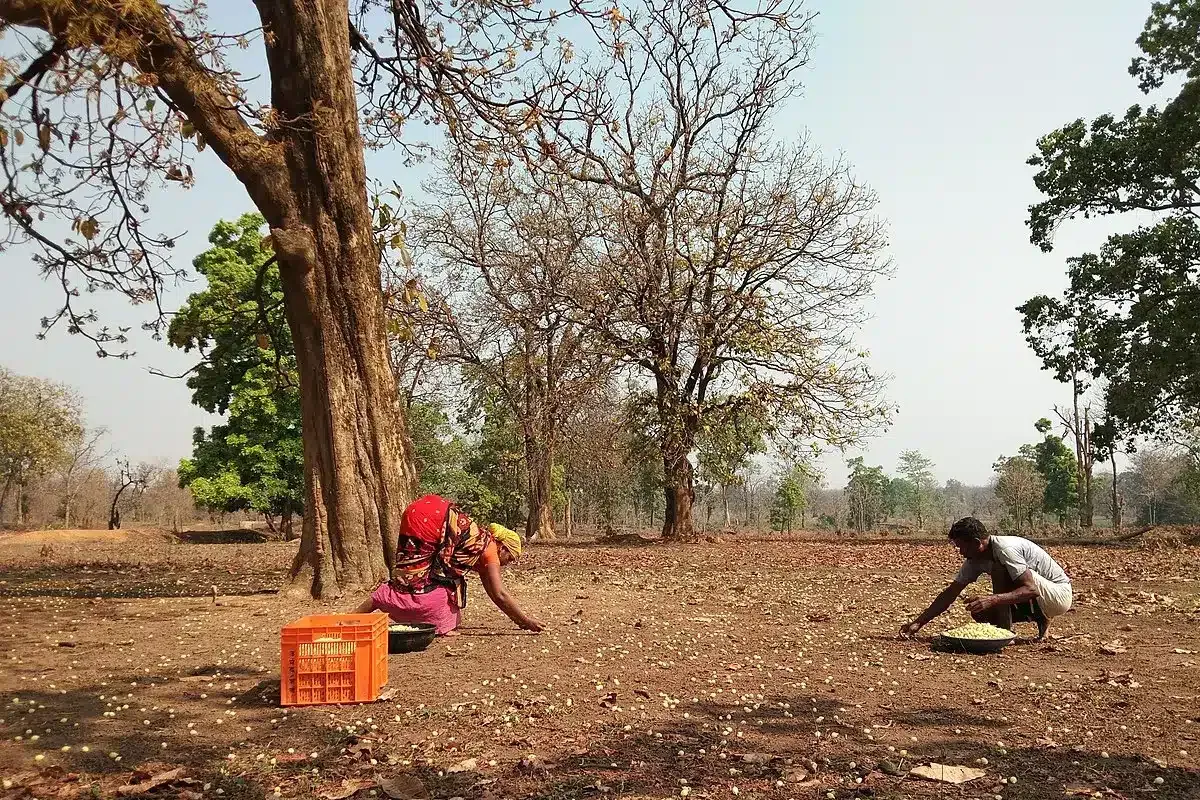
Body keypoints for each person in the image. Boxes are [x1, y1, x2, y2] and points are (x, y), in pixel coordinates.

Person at [354, 494, 544, 635]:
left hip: (420, 512)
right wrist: (526, 621)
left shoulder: (478, 544)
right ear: (502, 547)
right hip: (431, 520)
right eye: (509, 558)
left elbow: (493, 593)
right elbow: (500, 594)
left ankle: (353, 616)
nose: (505, 564)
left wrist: (519, 620)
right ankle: (359, 614)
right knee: (411, 583)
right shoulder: (489, 549)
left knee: (409, 576)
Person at [899, 516, 1072, 641]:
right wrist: (918, 623)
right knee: (979, 611)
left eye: (962, 547)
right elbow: (951, 593)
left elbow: (1031, 589)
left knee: (999, 570)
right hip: (1041, 598)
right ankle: (1040, 619)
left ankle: (1005, 633)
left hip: (1059, 594)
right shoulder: (974, 559)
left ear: (976, 543)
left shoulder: (1005, 549)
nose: (961, 553)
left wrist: (992, 599)